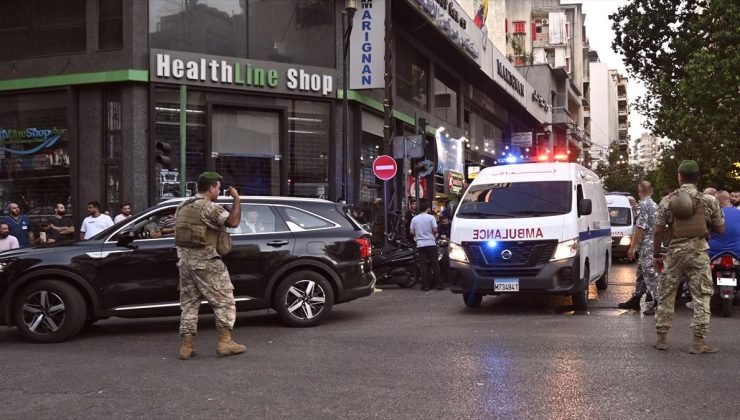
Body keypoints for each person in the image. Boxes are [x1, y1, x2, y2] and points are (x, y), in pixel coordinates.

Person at [653, 160, 724, 354]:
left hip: (674, 253)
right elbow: (720, 228)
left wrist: (656, 253)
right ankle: (698, 343)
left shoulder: (668, 200)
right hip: (698, 252)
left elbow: (658, 230)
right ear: (698, 178)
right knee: (701, 295)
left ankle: (662, 339)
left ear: (680, 177)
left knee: (667, 293)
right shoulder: (708, 200)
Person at [174, 171, 245, 360]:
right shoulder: (209, 207)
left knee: (189, 304)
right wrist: (236, 198)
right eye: (218, 188)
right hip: (207, 264)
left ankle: (187, 346)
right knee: (224, 300)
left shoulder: (182, 205)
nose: (219, 191)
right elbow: (233, 222)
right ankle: (225, 342)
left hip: (185, 264)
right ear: (211, 188)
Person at [625, 181, 659, 315]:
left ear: (639, 191)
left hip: (647, 245)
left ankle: (657, 301)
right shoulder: (654, 204)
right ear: (652, 191)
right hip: (651, 243)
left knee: (649, 275)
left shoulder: (644, 205)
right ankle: (636, 299)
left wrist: (632, 248)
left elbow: (640, 227)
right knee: (641, 273)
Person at [410, 200, 443, 291]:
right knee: (435, 264)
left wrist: (418, 233)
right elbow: (435, 230)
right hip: (431, 243)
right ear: (428, 208)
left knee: (423, 266)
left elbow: (412, 232)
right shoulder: (431, 218)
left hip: (420, 244)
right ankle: (439, 284)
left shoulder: (414, 219)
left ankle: (425, 286)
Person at [707, 191, 740, 258]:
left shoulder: (712, 214)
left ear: (718, 201)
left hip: (713, 252)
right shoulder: (738, 212)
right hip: (737, 253)